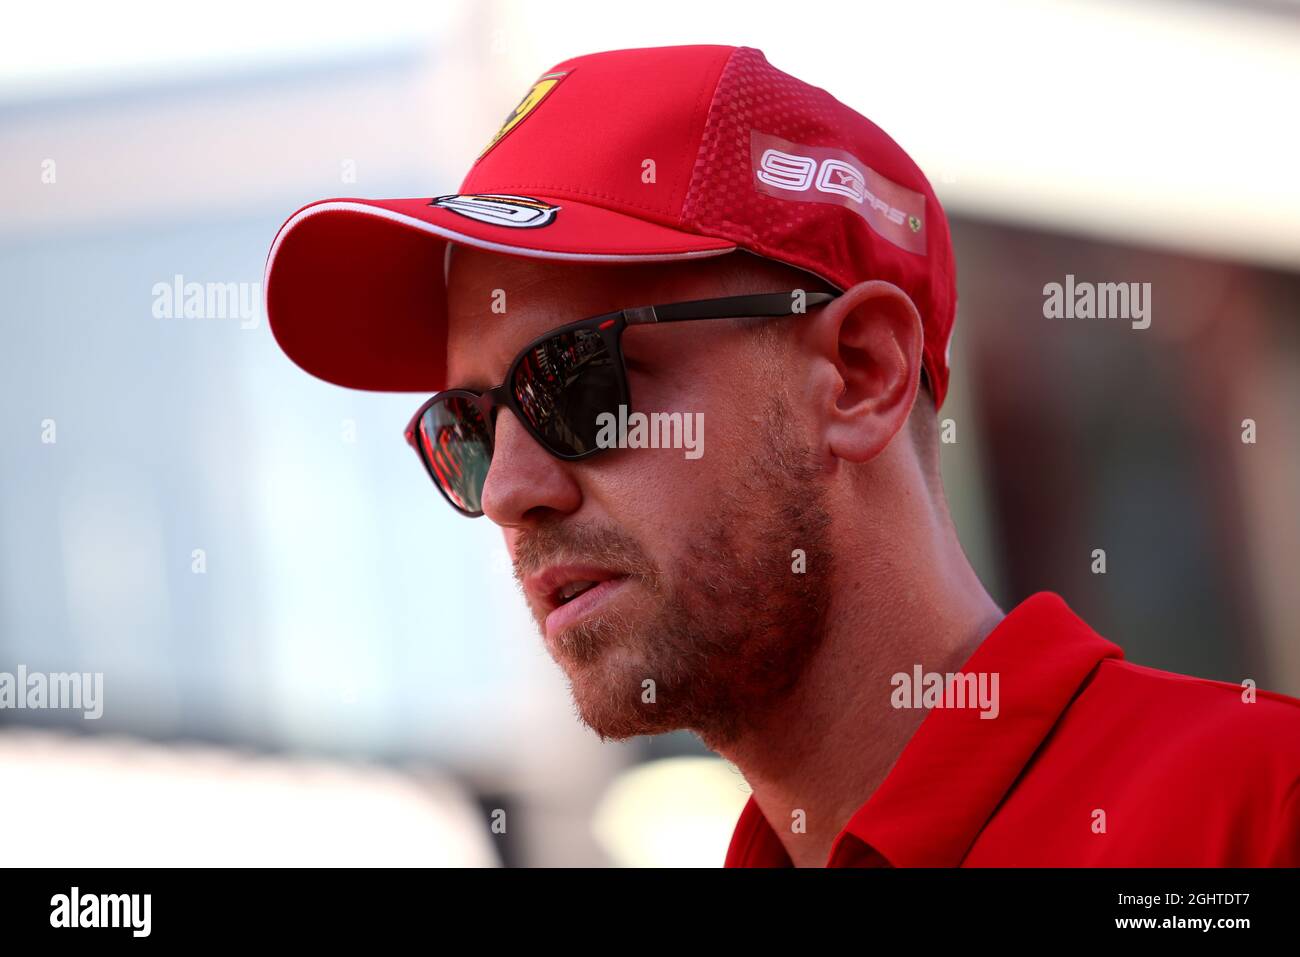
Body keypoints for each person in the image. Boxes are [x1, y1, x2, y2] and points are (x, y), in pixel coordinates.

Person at [264, 44, 1300, 867]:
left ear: (859, 373)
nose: (507, 492)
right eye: (471, 427)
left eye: (576, 379)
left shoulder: (1258, 817)